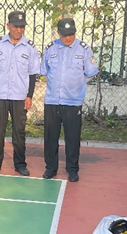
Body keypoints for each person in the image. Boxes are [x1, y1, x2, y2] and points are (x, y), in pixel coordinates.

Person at [40, 18, 98, 182]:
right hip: (52, 100)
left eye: (71, 34)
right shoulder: (50, 48)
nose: (68, 38)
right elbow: (45, 71)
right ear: (58, 33)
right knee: (50, 136)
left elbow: (91, 72)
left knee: (72, 137)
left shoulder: (84, 49)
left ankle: (72, 169)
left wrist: (78, 84)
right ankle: (50, 168)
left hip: (73, 101)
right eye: (65, 35)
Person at [0, 11, 40, 176]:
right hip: (0, 94)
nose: (19, 30)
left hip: (19, 96)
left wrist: (29, 96)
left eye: (22, 27)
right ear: (8, 26)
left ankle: (20, 164)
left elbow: (32, 74)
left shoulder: (30, 47)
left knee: (19, 131)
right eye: (15, 26)